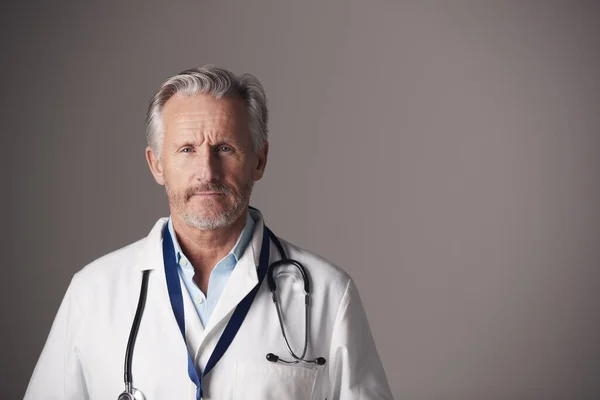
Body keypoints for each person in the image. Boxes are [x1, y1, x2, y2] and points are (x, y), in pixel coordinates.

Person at [24, 65, 394, 400]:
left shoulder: (329, 294)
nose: (208, 172)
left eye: (225, 148)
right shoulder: (93, 293)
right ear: (156, 165)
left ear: (259, 160)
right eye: (186, 149)